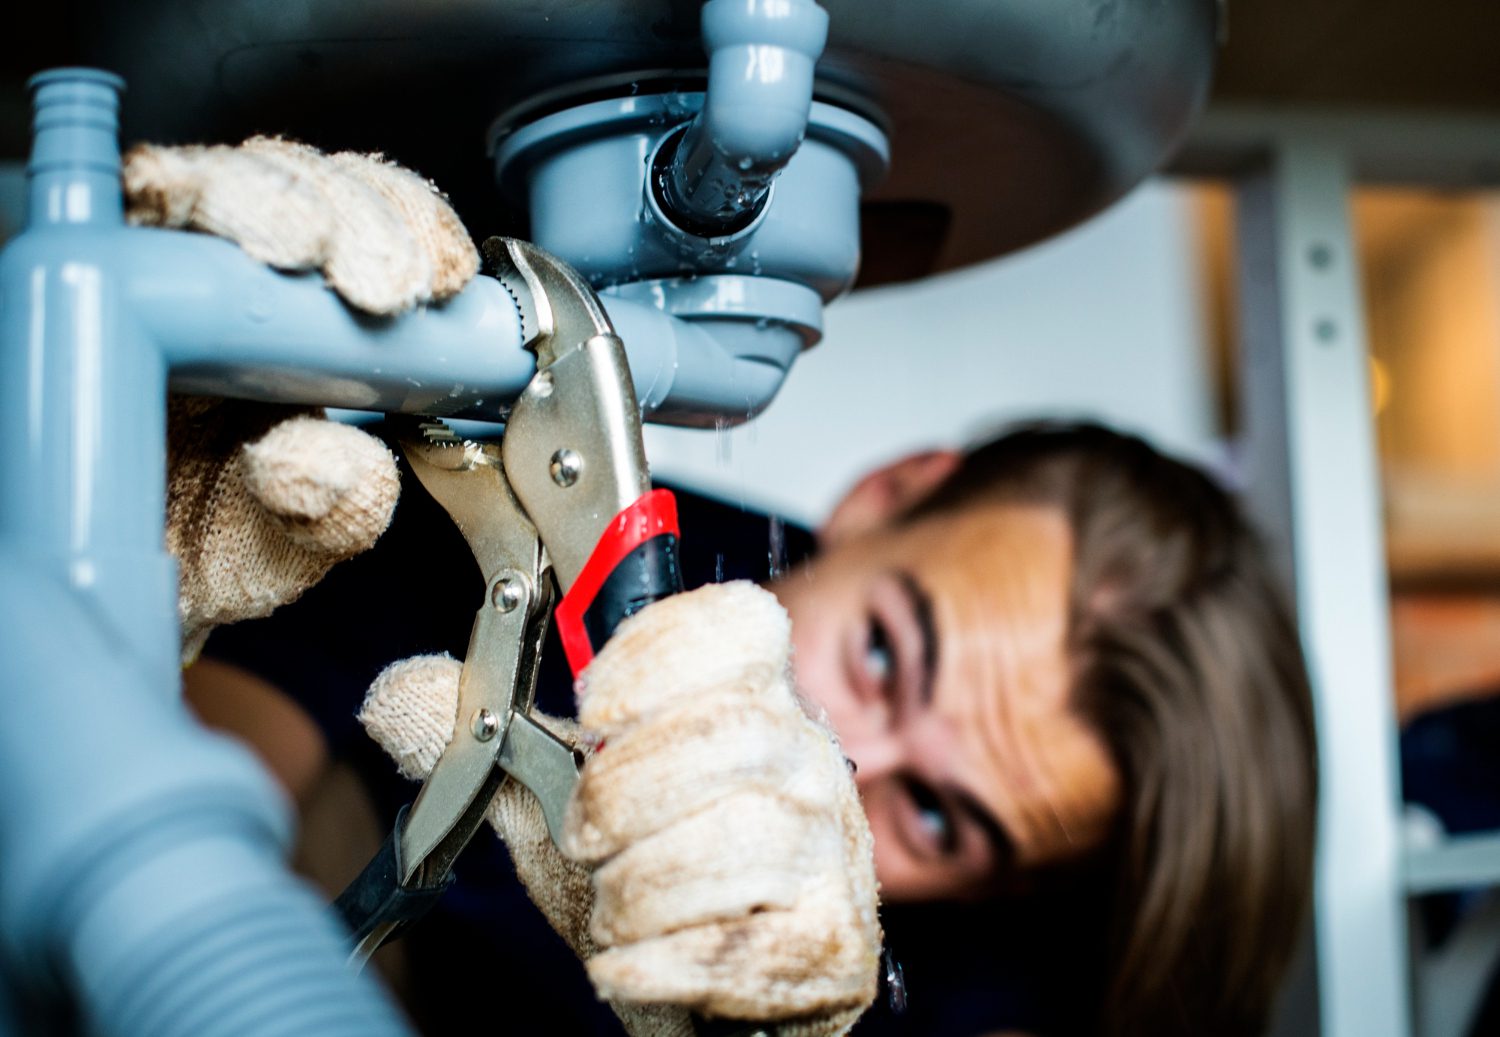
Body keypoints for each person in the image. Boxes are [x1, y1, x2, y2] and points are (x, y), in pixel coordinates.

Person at [149, 139, 1317, 1036]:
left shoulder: (976, 977)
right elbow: (190, 815)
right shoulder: (510, 512)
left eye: (940, 816)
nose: (835, 752)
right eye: (881, 653)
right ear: (889, 495)